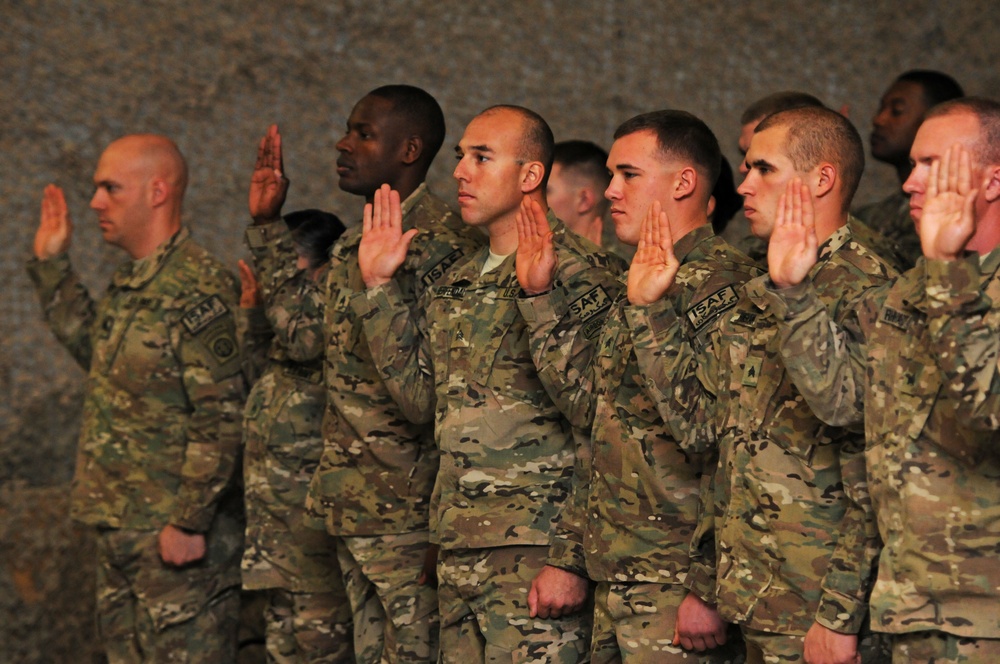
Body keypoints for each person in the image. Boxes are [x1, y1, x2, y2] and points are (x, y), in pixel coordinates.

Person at [353, 105, 623, 662]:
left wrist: (568, 559)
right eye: (460, 156)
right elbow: (422, 403)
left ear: (530, 176)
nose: (460, 172)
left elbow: (602, 425)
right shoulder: (454, 278)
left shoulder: (580, 274)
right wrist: (378, 290)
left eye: (482, 157)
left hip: (536, 547)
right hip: (460, 542)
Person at [764, 97, 1000, 663]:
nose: (910, 183)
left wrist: (949, 274)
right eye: (912, 165)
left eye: (932, 166)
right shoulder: (912, 289)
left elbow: (989, 413)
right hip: (911, 603)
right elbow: (855, 414)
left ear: (992, 181)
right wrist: (794, 297)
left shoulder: (947, 284)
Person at [515, 109, 757, 663]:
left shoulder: (726, 286)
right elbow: (594, 417)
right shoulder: (639, 279)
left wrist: (708, 585)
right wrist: (540, 300)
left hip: (675, 578)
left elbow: (721, 444)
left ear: (684, 182)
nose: (609, 191)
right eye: (609, 175)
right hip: (617, 565)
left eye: (627, 174)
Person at [656, 107, 895, 663]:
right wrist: (708, 581)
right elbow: (722, 439)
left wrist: (839, 615)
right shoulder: (760, 284)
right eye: (745, 168)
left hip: (816, 605)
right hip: (752, 594)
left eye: (764, 168)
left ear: (821, 179)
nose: (744, 186)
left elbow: (875, 464)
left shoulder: (870, 286)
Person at [28, 134, 245, 662]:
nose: (95, 202)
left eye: (110, 188)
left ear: (157, 191)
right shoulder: (135, 282)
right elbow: (100, 356)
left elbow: (223, 412)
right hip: (123, 526)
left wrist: (189, 519)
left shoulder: (197, 286)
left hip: (173, 539)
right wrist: (53, 268)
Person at [300, 85, 483, 663]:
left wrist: (438, 524)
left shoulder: (441, 246)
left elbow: (439, 398)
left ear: (409, 150)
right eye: (349, 130)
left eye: (363, 133)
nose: (343, 143)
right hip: (354, 500)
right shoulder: (355, 240)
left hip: (407, 512)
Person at [238, 125, 354, 663]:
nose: (281, 290)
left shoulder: (335, 313)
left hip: (317, 543)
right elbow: (258, 381)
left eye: (292, 276)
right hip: (275, 541)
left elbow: (305, 341)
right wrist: (252, 314)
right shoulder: (289, 327)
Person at [855, 70, 964, 268]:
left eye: (897, 111)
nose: (878, 120)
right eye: (881, 108)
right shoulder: (879, 212)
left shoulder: (958, 218)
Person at [547, 139, 632, 259]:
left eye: (545, 191)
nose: (530, 199)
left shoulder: (620, 272)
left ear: (584, 200)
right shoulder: (529, 260)